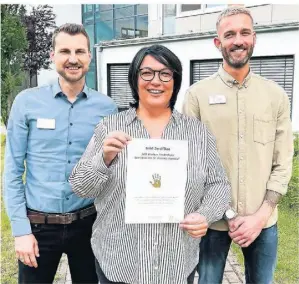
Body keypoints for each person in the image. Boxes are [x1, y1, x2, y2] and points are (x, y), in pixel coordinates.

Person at [69, 44, 231, 284]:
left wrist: (205, 215)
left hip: (175, 262)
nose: (156, 81)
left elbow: (219, 184)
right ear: (134, 79)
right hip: (119, 263)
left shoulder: (197, 132)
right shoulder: (110, 128)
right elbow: (80, 187)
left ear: (175, 80)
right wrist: (103, 158)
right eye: (147, 73)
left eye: (165, 74)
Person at [182, 6, 294, 284]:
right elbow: (193, 164)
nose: (238, 40)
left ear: (254, 38)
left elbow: (283, 163)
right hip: (212, 223)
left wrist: (259, 216)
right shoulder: (197, 96)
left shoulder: (276, 96)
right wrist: (228, 214)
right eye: (229, 34)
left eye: (245, 32)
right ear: (218, 42)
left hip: (263, 222)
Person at [4, 23, 117, 283]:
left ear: (90, 56)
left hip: (88, 224)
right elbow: (12, 171)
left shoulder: (107, 108)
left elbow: (112, 171)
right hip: (38, 227)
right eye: (65, 51)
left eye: (80, 51)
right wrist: (21, 231)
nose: (73, 59)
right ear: (52, 56)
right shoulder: (27, 103)